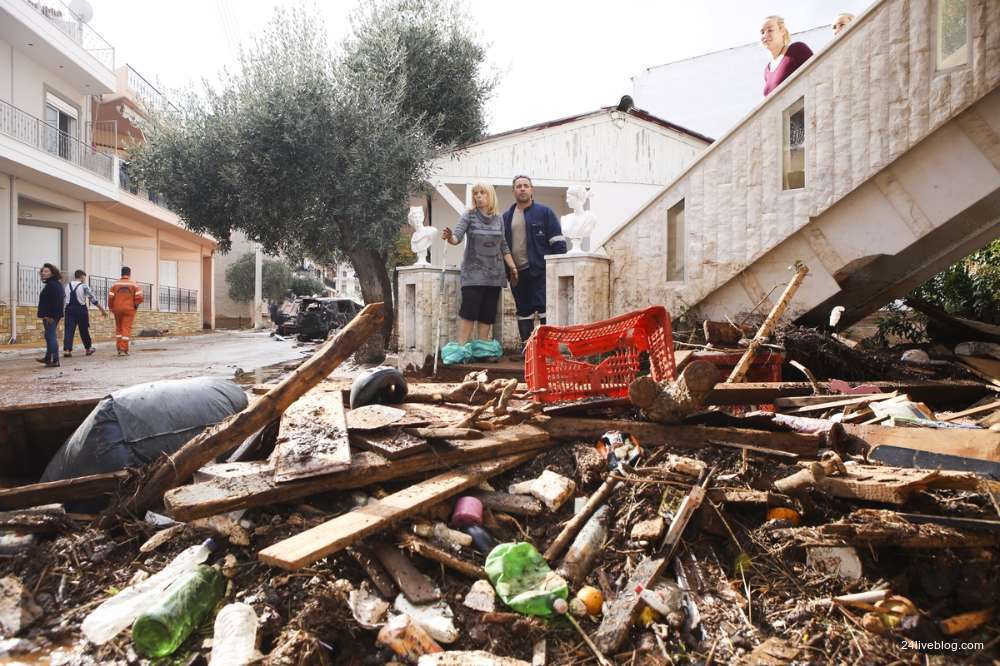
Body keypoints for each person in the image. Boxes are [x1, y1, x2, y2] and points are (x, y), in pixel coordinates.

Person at [441, 183, 518, 344]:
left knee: (488, 313)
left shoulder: (499, 218)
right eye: (475, 193)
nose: (478, 196)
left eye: (482, 193)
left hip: (495, 275)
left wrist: (512, 266)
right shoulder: (468, 215)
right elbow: (457, 237)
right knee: (469, 310)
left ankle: (482, 348)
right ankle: (461, 347)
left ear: (490, 196)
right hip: (473, 274)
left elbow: (503, 245)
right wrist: (449, 237)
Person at [502, 175, 567, 346]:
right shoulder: (506, 217)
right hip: (516, 273)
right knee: (523, 311)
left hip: (541, 271)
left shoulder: (544, 212)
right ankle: (527, 351)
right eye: (518, 186)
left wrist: (556, 269)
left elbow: (558, 242)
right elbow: (502, 247)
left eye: (525, 185)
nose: (522, 188)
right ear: (513, 190)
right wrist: (506, 271)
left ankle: (548, 349)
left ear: (532, 190)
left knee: (545, 308)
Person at [761, 15, 814, 96]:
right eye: (762, 32)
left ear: (782, 30)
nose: (765, 35)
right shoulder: (767, 70)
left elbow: (818, 77)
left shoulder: (797, 50)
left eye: (770, 30)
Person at [64, 269, 108, 357]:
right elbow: (93, 299)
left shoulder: (67, 286)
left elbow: (64, 299)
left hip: (69, 310)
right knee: (84, 330)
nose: (85, 279)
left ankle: (67, 350)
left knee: (69, 330)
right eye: (84, 277)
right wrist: (102, 309)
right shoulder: (84, 286)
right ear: (81, 277)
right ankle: (88, 349)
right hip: (81, 310)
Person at [108, 266, 144, 356]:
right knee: (126, 328)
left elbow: (110, 298)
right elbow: (140, 297)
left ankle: (119, 348)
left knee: (119, 328)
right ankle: (124, 349)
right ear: (129, 274)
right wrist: (135, 305)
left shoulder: (115, 284)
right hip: (129, 309)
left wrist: (111, 308)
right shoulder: (134, 284)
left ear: (121, 273)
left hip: (117, 309)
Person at [36, 263, 64, 368]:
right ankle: (48, 358)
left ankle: (55, 360)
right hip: (50, 315)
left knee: (51, 336)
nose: (43, 273)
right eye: (42, 271)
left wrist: (50, 316)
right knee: (48, 336)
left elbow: (56, 302)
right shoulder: (53, 284)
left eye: (46, 271)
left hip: (50, 316)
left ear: (52, 273)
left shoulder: (53, 285)